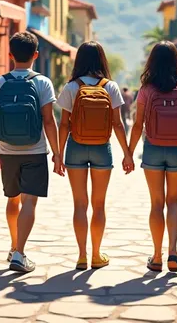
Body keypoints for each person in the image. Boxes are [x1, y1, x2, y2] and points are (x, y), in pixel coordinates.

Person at [129, 42, 177, 272]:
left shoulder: (146, 89)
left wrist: (129, 152)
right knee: (173, 202)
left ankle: (156, 256)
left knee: (156, 203)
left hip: (153, 148)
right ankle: (173, 252)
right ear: (176, 61)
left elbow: (137, 125)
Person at [0, 32, 63, 274]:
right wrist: (57, 152)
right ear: (36, 55)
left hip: (7, 150)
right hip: (35, 150)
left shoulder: (0, 82)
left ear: (10, 55)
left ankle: (13, 246)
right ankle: (19, 253)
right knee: (29, 201)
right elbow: (49, 121)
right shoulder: (42, 82)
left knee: (12, 199)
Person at [57, 42, 132, 270]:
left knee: (80, 204)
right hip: (101, 148)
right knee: (99, 205)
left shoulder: (71, 87)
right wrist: (127, 153)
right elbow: (118, 124)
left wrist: (59, 154)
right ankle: (96, 255)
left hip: (76, 147)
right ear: (102, 60)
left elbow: (63, 124)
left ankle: (81, 255)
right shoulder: (110, 87)